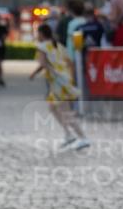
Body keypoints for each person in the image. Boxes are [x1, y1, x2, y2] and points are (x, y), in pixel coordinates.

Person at [30, 23, 90, 151]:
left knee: (65, 111)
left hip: (57, 82)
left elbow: (43, 64)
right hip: (64, 78)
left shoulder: (41, 46)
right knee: (52, 107)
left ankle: (83, 137)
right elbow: (70, 62)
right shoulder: (58, 45)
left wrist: (49, 72)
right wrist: (70, 78)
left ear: (41, 34)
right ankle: (68, 134)